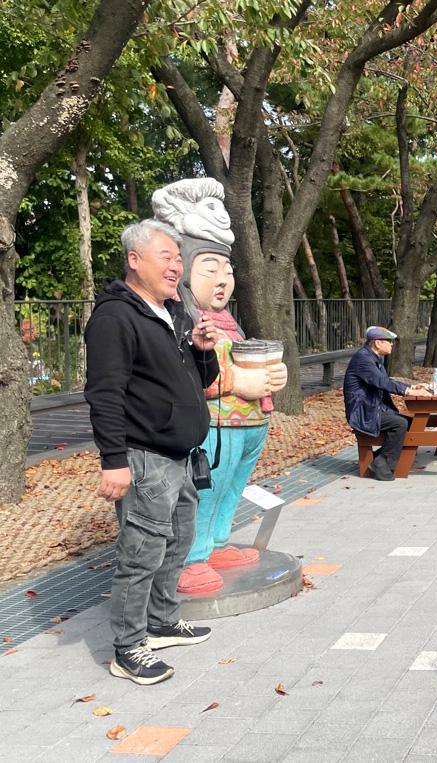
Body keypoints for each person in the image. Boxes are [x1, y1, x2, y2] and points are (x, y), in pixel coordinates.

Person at [85, 220, 221, 686]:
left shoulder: (171, 314)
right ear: (134, 259)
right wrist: (113, 461)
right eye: (166, 255)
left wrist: (203, 350)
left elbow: (198, 381)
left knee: (177, 541)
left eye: (179, 258)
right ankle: (128, 647)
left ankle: (162, 621)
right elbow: (104, 393)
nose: (176, 266)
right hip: (144, 456)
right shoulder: (115, 318)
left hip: (181, 455)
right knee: (141, 552)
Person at [149, 178, 289, 596]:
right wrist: (236, 380)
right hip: (215, 426)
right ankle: (191, 556)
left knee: (231, 487)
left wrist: (271, 377)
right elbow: (181, 372)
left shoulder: (229, 319)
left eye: (227, 270)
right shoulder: (179, 319)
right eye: (210, 269)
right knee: (204, 488)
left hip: (249, 424)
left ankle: (218, 543)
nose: (223, 279)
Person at [343, 326, 429, 481]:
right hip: (363, 412)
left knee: (411, 423)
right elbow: (381, 382)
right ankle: (381, 464)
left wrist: (411, 387)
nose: (392, 344)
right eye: (389, 341)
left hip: (373, 409)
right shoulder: (363, 359)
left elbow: (386, 381)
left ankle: (379, 458)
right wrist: (409, 391)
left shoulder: (375, 358)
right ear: (377, 343)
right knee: (400, 424)